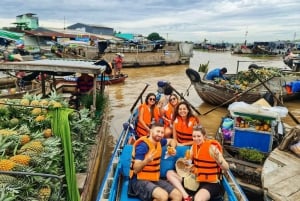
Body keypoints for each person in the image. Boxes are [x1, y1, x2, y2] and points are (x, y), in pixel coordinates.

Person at [167, 125, 229, 201]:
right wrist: (186, 162)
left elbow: (226, 168)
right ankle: (186, 197)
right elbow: (189, 162)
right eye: (194, 136)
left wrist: (219, 160)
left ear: (204, 136)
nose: (196, 139)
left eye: (199, 136)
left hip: (211, 183)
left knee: (198, 199)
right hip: (195, 179)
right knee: (169, 173)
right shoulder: (194, 147)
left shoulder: (212, 148)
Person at [129, 122, 182, 201]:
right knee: (163, 196)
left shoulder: (159, 142)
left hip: (153, 178)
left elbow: (172, 140)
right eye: (158, 131)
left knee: (178, 195)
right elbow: (136, 169)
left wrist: (173, 148)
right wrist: (146, 161)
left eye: (162, 132)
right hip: (138, 181)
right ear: (151, 131)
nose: (160, 134)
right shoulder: (143, 146)